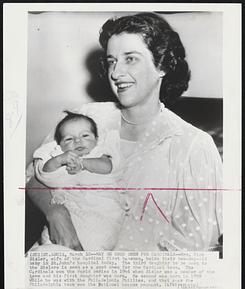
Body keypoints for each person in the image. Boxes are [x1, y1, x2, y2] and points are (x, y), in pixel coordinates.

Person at [27, 12, 222, 252]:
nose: (116, 73)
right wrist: (56, 213)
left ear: (161, 65)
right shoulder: (86, 118)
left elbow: (198, 246)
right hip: (59, 254)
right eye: (111, 61)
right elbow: (34, 178)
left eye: (130, 59)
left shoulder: (193, 146)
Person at [30, 110, 124, 251]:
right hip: (69, 208)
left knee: (100, 237)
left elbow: (108, 167)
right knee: (49, 244)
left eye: (85, 135)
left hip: (99, 206)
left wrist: (83, 163)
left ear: (97, 139)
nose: (77, 141)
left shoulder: (100, 152)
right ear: (59, 145)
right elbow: (44, 175)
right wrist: (58, 160)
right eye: (68, 139)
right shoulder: (58, 156)